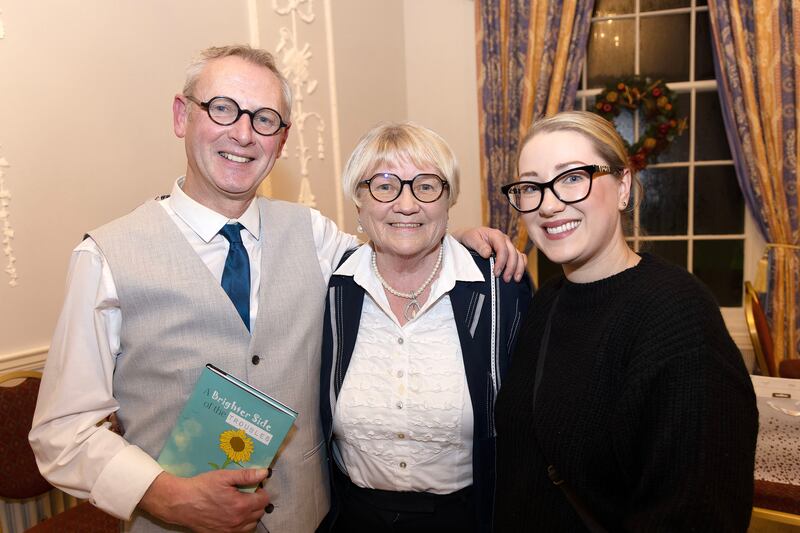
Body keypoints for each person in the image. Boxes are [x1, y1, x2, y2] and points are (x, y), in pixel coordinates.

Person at [28, 44, 526, 533]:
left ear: (282, 140)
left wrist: (454, 239)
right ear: (182, 116)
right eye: (223, 109)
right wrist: (166, 496)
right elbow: (62, 433)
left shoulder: (313, 235)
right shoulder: (105, 258)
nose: (243, 134)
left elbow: (393, 239)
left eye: (265, 118)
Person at [493, 111, 758, 532]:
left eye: (573, 177)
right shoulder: (545, 304)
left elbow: (698, 512)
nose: (548, 203)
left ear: (623, 187)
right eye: (530, 186)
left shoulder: (677, 315)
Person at [318, 122, 532, 533]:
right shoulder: (332, 287)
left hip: (469, 520)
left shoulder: (502, 288)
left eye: (427, 186)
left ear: (448, 199)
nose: (406, 204)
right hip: (352, 519)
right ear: (359, 202)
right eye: (384, 185)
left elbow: (529, 428)